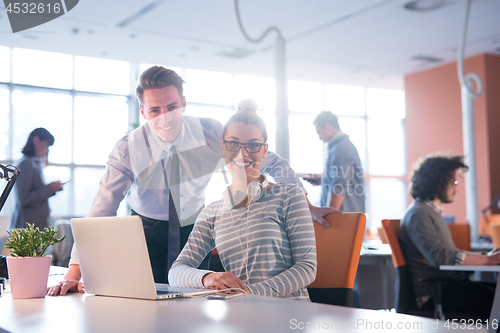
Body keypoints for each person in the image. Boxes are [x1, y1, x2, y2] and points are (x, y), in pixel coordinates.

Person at [47, 66, 334, 296]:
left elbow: (268, 159)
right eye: (155, 110)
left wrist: (306, 204)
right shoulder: (128, 149)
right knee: (144, 304)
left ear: (184, 103)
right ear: (143, 111)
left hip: (194, 229)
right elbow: (100, 212)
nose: (165, 118)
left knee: (194, 302)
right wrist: (73, 275)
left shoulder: (211, 133)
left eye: (172, 107)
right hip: (145, 232)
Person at [168, 111, 317, 300]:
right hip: (242, 316)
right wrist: (207, 277)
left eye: (253, 145)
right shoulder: (212, 213)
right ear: (223, 148)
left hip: (290, 315)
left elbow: (307, 267)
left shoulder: (289, 196)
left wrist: (251, 292)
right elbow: (176, 272)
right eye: (233, 144)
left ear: (264, 150)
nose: (243, 153)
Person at [399, 152, 499, 319]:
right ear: (438, 181)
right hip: (435, 295)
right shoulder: (419, 214)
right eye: (453, 181)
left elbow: (447, 255)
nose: (457, 187)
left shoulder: (430, 213)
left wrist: (487, 257)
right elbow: (440, 257)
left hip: (448, 288)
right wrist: (488, 259)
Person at [303, 111, 365, 213]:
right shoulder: (341, 147)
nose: (319, 138)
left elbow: (339, 186)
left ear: (328, 127)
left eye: (319, 132)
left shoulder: (341, 148)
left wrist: (328, 218)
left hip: (343, 218)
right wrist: (324, 180)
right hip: (346, 216)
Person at [9, 128, 63, 230]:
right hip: (26, 228)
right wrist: (49, 188)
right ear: (36, 140)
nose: (47, 150)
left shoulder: (33, 163)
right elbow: (23, 198)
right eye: (46, 145)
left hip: (32, 227)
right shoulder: (26, 164)